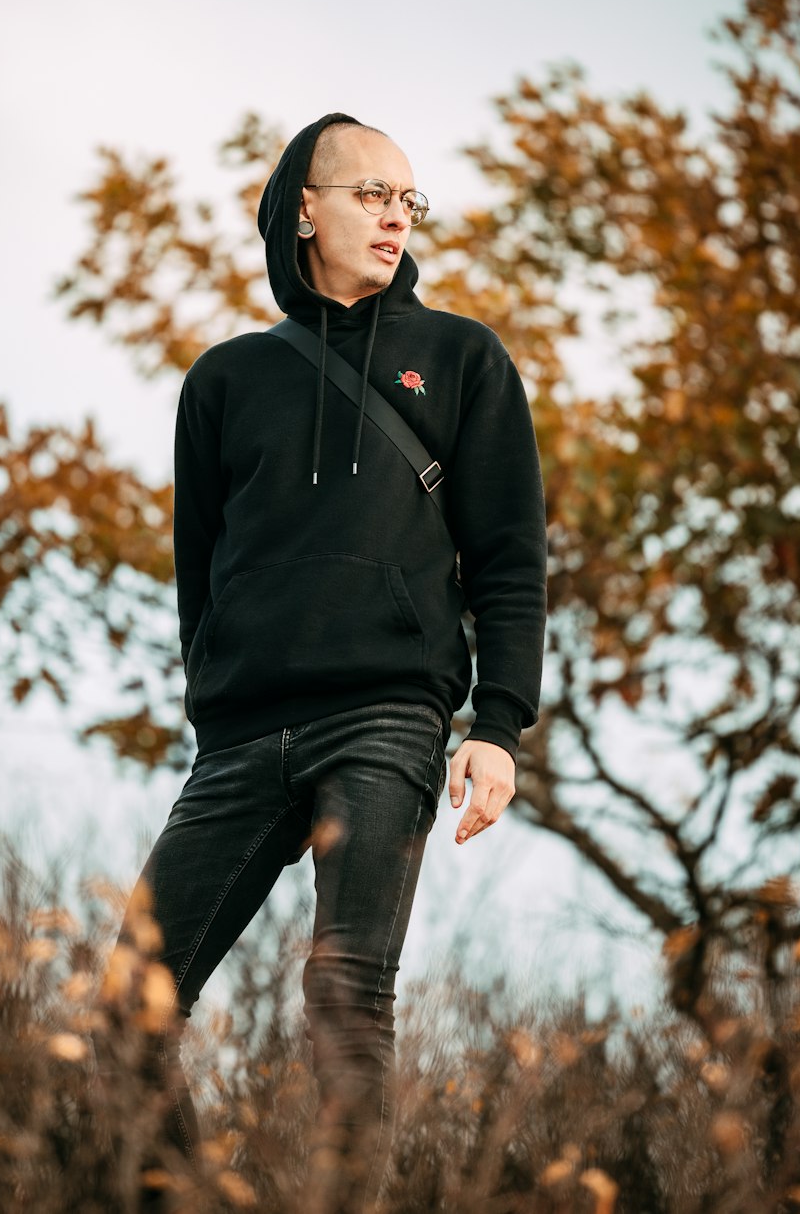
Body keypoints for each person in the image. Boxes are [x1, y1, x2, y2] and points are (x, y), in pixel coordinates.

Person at [110, 111, 548, 1212]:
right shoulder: (224, 380)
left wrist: (496, 726)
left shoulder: (460, 358)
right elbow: (196, 572)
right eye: (370, 194)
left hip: (386, 718)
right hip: (242, 738)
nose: (395, 217)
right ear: (303, 207)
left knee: (346, 990)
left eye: (408, 202)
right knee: (127, 1005)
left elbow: (508, 556)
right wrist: (213, 708)